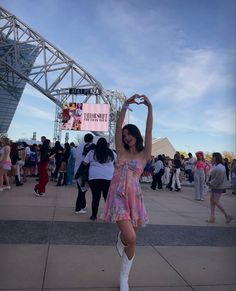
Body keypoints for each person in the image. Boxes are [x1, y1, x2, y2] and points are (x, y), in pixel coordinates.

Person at [101, 94, 153, 291]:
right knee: (130, 238)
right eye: (124, 135)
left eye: (129, 133)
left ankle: (124, 279)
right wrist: (124, 105)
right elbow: (117, 126)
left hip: (135, 199)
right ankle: (121, 238)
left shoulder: (144, 154)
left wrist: (149, 107)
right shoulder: (120, 151)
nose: (125, 136)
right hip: (117, 197)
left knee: (133, 240)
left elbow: (149, 130)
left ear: (136, 134)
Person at [83, 137, 116, 220]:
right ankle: (108, 215)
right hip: (108, 177)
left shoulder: (92, 152)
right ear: (106, 144)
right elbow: (118, 162)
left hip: (94, 177)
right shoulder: (111, 152)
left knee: (95, 197)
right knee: (107, 197)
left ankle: (94, 216)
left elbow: (84, 163)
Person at [206, 152, 233, 224]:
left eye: (212, 157)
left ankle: (227, 215)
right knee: (212, 200)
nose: (211, 158)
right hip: (216, 186)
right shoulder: (218, 166)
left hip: (218, 186)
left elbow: (218, 179)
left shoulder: (219, 167)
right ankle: (212, 217)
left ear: (215, 158)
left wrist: (209, 183)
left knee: (215, 201)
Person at [74, 133, 95, 214]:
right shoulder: (91, 147)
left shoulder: (79, 146)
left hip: (77, 170)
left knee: (82, 189)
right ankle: (78, 208)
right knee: (82, 190)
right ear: (92, 139)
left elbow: (75, 157)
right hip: (84, 171)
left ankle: (83, 205)